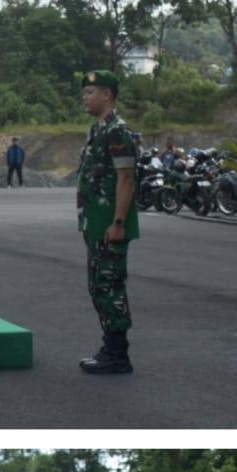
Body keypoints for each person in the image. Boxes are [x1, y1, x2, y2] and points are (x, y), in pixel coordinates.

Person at [74, 70, 138, 376]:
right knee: (99, 286)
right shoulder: (97, 130)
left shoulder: (117, 131)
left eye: (90, 92)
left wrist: (119, 222)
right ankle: (110, 347)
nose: (85, 97)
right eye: (85, 92)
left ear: (107, 95)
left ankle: (117, 353)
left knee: (110, 286)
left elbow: (126, 178)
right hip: (96, 224)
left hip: (111, 225)